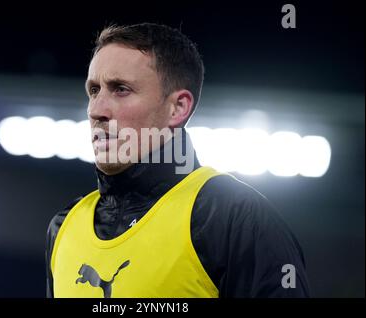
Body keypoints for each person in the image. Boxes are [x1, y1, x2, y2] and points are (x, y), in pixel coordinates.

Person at [45, 23, 310, 298]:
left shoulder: (234, 219)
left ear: (178, 108)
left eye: (120, 89)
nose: (96, 110)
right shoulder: (63, 227)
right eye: (94, 90)